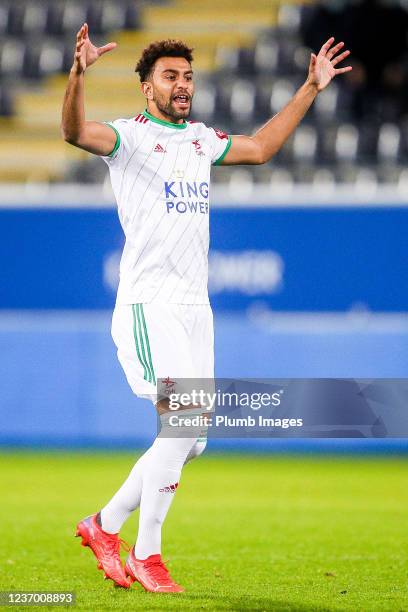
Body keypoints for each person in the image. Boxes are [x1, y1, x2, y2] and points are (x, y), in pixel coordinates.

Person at [61, 23, 351, 594]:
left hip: (197, 307)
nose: (183, 84)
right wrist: (77, 75)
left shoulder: (200, 139)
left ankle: (104, 524)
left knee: (193, 440)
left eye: (188, 76)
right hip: (151, 304)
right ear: (147, 88)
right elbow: (74, 132)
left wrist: (311, 87)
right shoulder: (128, 138)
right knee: (184, 423)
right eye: (171, 76)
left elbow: (263, 148)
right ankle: (148, 554)